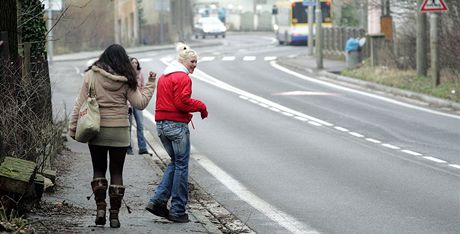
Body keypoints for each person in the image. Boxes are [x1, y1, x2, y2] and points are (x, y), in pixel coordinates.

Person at [68, 44, 157, 228]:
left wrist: (73, 128)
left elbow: (80, 103)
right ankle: (114, 216)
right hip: (119, 132)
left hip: (96, 130)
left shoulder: (91, 75)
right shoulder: (126, 79)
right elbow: (139, 103)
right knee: (117, 172)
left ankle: (100, 208)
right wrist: (150, 83)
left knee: (99, 170)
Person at [145, 42, 208, 223]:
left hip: (161, 125)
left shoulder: (165, 76)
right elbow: (182, 102)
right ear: (183, 61)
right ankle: (178, 209)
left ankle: (157, 201)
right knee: (181, 165)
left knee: (175, 163)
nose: (195, 65)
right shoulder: (183, 78)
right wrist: (201, 107)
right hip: (176, 125)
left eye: (196, 62)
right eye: (192, 62)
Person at [127, 57, 150, 155]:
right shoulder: (126, 75)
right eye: (132, 62)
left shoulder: (140, 74)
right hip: (128, 104)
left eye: (136, 63)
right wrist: (128, 104)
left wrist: (141, 100)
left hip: (138, 102)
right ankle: (128, 147)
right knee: (128, 126)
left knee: (140, 125)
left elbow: (142, 88)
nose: (135, 64)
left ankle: (142, 148)